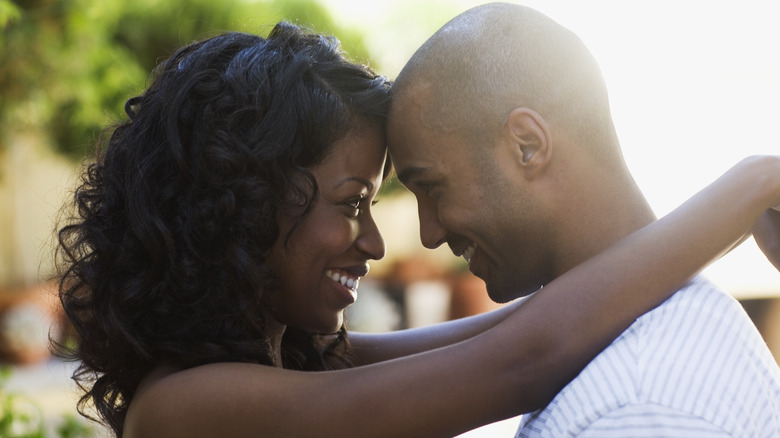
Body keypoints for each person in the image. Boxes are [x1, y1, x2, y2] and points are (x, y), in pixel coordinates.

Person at [55, 21, 780, 438]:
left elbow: (523, 327)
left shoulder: (299, 362)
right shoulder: (190, 408)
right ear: (244, 207)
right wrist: (753, 184)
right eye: (350, 203)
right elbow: (525, 359)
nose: (378, 241)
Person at [386, 3, 780, 437]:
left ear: (527, 146)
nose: (428, 234)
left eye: (432, 188)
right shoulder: (627, 362)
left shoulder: (637, 405)